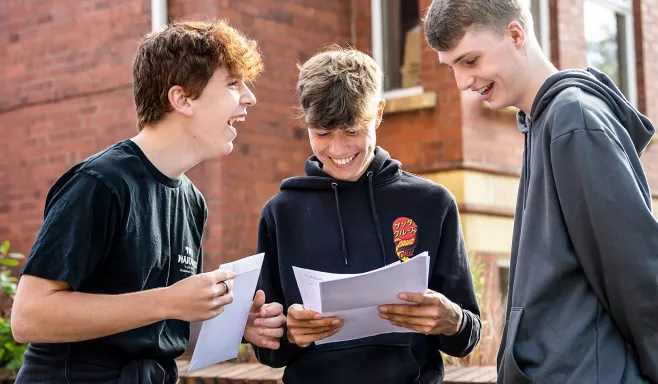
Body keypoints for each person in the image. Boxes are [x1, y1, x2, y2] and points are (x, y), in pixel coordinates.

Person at [11, 20, 285, 384]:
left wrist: (226, 321)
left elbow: (155, 320)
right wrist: (169, 300)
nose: (249, 97)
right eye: (233, 84)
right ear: (182, 99)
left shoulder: (192, 202)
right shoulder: (100, 184)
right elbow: (29, 316)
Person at [423, 1, 658, 383]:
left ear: (515, 34)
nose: (462, 82)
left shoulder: (573, 120)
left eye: (470, 60)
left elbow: (633, 267)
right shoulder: (543, 120)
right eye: (452, 67)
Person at [250, 46, 481, 383]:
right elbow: (267, 348)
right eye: (323, 133)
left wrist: (453, 321)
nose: (339, 149)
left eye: (353, 130)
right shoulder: (281, 213)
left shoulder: (432, 204)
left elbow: (467, 335)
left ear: (378, 114)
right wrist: (288, 334)